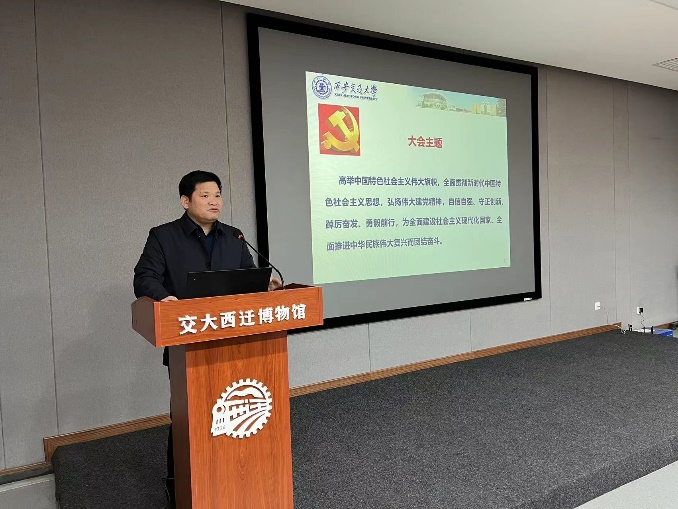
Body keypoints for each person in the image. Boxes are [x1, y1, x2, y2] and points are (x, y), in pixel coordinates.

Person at [133, 170, 280, 505]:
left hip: (235, 343)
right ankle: (179, 482)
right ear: (185, 201)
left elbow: (246, 278)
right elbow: (144, 277)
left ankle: (234, 476)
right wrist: (164, 297)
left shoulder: (234, 236)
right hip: (187, 342)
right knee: (189, 415)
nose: (214, 202)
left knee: (236, 411)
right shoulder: (163, 236)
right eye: (205, 195)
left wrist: (264, 285)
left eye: (218, 195)